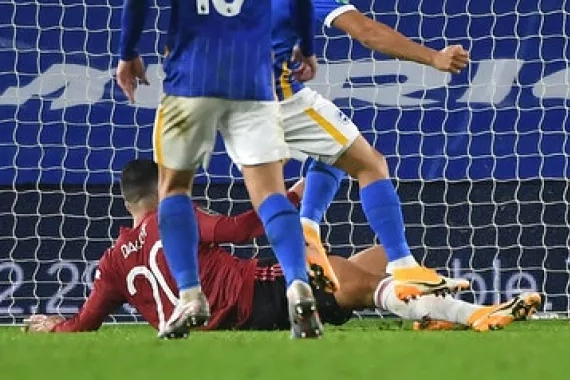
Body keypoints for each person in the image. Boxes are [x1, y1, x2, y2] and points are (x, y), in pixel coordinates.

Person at [114, 0, 321, 339]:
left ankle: (189, 295)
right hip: (253, 78)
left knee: (174, 186)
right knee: (268, 192)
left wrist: (129, 53)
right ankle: (298, 282)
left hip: (189, 77)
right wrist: (306, 47)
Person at [22, 160, 542, 334]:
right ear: (161, 190)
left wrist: (55, 324)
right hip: (253, 299)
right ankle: (473, 313)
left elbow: (85, 321)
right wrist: (285, 197)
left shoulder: (112, 263)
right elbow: (239, 230)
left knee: (374, 260)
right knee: (347, 278)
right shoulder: (170, 216)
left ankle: (427, 312)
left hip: (230, 312)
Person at [270, 0, 470, 299]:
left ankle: (307, 229)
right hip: (271, 94)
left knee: (335, 146)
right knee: (371, 164)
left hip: (212, 90)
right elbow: (366, 32)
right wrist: (434, 57)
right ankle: (403, 267)